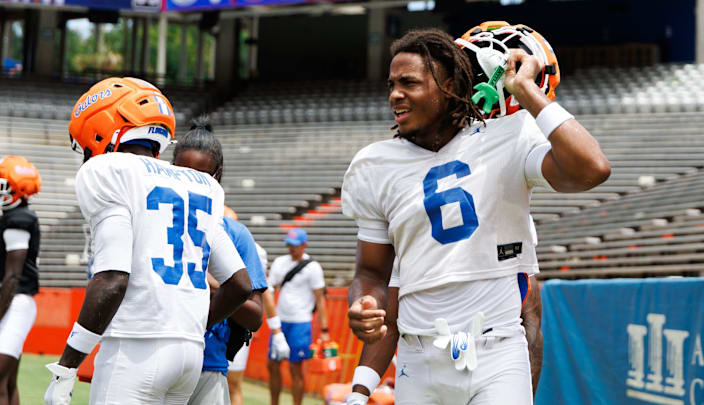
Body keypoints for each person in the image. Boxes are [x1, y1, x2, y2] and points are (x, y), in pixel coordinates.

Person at [342, 28, 610, 405]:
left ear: (449, 84)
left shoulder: (508, 137)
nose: (395, 95)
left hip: (497, 351)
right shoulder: (374, 165)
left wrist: (527, 92)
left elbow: (592, 169)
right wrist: (363, 303)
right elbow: (371, 273)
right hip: (418, 359)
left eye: (409, 83)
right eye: (391, 84)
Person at [44, 77, 257, 405]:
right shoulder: (203, 184)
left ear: (100, 126)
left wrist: (67, 366)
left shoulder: (110, 170)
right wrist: (195, 325)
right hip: (189, 355)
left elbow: (113, 279)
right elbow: (241, 285)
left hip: (135, 347)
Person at [171, 117, 269, 405]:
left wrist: (213, 284)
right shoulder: (154, 218)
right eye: (182, 173)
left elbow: (254, 315)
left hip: (208, 365)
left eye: (201, 176)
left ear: (218, 175)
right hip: (154, 356)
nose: (191, 184)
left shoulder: (234, 233)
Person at [267, 228, 329, 405]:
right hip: (280, 322)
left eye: (295, 245)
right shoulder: (280, 262)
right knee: (272, 365)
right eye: (289, 245)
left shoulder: (313, 267)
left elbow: (320, 299)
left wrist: (325, 329)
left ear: (304, 245)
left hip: (301, 323)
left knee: (296, 368)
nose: (291, 249)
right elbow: (271, 289)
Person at [226, 240, 290, 405]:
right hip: (210, 322)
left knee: (232, 384)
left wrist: (277, 332)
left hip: (236, 325)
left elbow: (263, 290)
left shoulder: (250, 247)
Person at [0, 155, 41, 405]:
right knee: (7, 382)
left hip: (14, 302)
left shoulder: (19, 219)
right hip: (11, 301)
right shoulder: (11, 217)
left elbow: (13, 276)